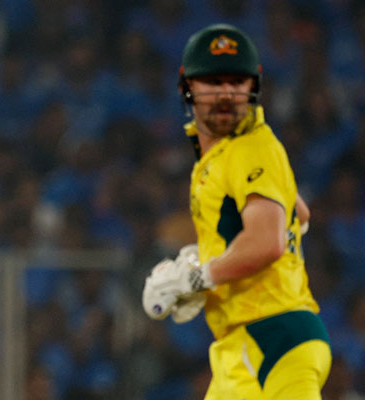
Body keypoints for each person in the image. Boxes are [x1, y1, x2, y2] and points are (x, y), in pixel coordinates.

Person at [142, 24, 331, 399]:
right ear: (187, 86)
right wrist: (217, 257)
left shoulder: (251, 147)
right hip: (242, 347)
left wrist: (194, 279)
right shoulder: (224, 154)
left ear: (254, 86)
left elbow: (266, 242)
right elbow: (300, 215)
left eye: (236, 82)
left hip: (273, 338)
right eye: (212, 83)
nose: (225, 94)